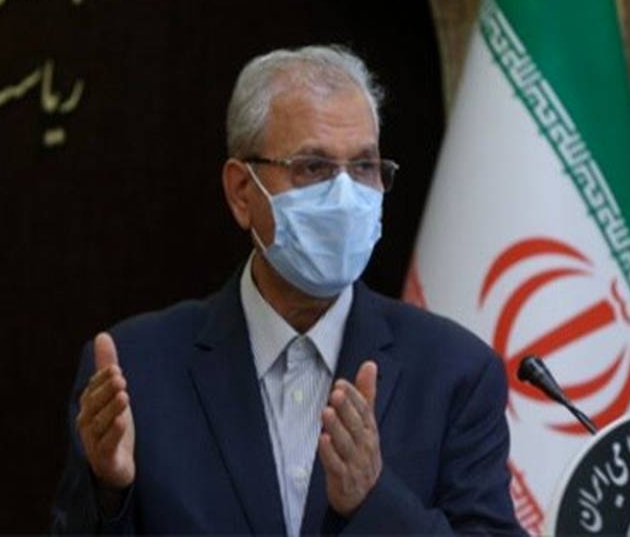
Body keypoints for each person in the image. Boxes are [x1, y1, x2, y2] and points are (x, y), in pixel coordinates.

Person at [52, 45, 523, 535]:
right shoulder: (138, 372)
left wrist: (374, 500)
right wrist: (109, 491)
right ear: (242, 192)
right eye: (313, 168)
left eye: (364, 167)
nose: (345, 198)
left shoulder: (454, 373)